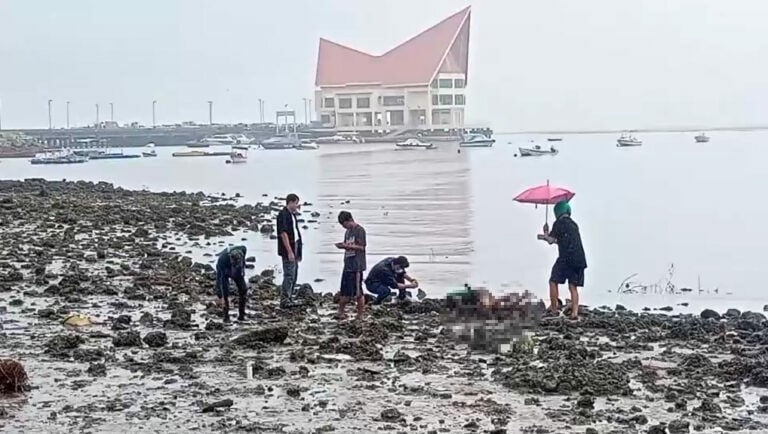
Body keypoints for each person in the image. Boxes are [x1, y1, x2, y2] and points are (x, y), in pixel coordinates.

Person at [538, 201, 587, 320]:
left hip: (566, 258)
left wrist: (545, 234)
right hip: (579, 259)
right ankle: (574, 313)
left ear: (557, 212)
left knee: (553, 281)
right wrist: (547, 235)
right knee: (573, 286)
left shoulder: (559, 223)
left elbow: (551, 240)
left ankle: (554, 309)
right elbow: (561, 240)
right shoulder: (574, 224)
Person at [335, 211, 366, 320]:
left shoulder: (360, 230)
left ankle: (360, 314)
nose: (344, 227)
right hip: (348, 264)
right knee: (344, 289)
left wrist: (348, 246)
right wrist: (343, 246)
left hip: (357, 265)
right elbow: (347, 245)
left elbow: (362, 247)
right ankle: (340, 312)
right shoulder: (347, 232)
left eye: (344, 225)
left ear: (349, 220)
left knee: (358, 291)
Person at [277, 194, 302, 308]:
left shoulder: (292, 215)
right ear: (290, 202)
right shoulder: (283, 215)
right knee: (289, 274)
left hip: (295, 245)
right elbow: (283, 233)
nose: (297, 205)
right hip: (289, 248)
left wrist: (298, 251)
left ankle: (290, 297)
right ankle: (285, 299)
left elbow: (295, 232)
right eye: (296, 203)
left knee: (295, 273)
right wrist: (289, 251)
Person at [215, 245, 248, 323]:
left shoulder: (243, 249)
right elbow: (222, 280)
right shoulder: (222, 260)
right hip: (224, 270)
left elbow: (242, 265)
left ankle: (241, 315)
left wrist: (240, 269)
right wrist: (222, 296)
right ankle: (226, 316)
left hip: (238, 268)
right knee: (224, 293)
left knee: (243, 289)